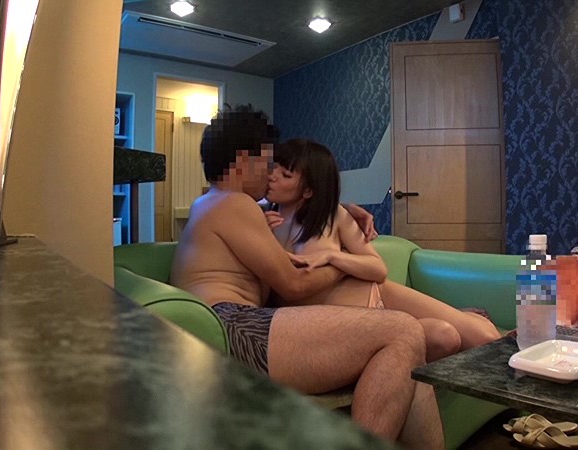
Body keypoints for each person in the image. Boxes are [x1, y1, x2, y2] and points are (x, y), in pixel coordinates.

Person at [170, 106, 444, 449]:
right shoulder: (234, 203)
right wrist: (341, 261)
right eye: (268, 162)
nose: (271, 173)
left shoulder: (213, 203)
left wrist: (344, 209)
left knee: (414, 368)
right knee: (404, 331)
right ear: (243, 161)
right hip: (232, 329)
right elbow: (295, 284)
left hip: (231, 328)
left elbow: (290, 226)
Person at [264, 139, 502, 361]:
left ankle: (472, 320)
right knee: (445, 336)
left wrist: (333, 256)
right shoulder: (262, 223)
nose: (271, 177)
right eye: (274, 168)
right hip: (349, 322)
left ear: (308, 190)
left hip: (378, 295)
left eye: (285, 175)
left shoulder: (334, 215)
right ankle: (464, 316)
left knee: (487, 339)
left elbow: (378, 269)